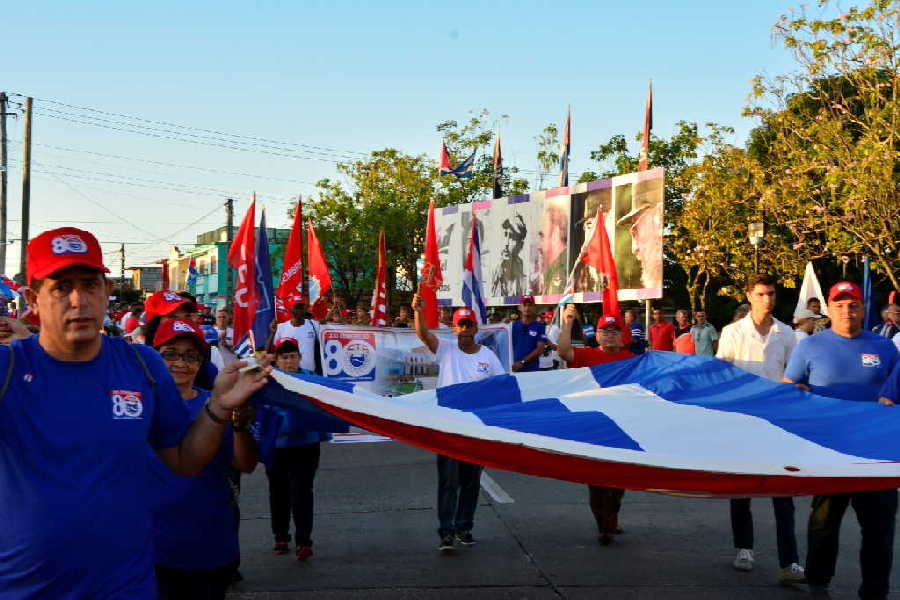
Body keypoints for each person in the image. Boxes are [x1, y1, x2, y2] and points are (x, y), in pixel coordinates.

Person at [0, 227, 270, 599]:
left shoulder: (142, 366)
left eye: (90, 285)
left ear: (107, 292)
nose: (78, 300)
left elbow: (185, 459)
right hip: (24, 587)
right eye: (61, 287)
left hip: (126, 585)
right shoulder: (8, 369)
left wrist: (219, 406)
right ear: (34, 298)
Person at [784, 281, 900, 599]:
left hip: (875, 455)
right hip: (828, 452)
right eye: (839, 304)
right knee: (823, 524)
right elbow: (788, 387)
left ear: (863, 309)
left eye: (853, 305)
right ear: (829, 308)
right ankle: (819, 583)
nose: (846, 310)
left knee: (879, 530)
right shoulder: (809, 346)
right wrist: (799, 395)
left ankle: (875, 592)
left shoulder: (885, 347)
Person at [148, 318, 258, 600]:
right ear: (153, 354)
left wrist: (239, 425)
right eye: (170, 353)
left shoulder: (220, 403)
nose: (180, 363)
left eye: (190, 355)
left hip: (209, 546)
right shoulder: (138, 407)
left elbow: (245, 465)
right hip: (151, 549)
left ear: (201, 361)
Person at [717, 273, 803, 585]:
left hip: (778, 421)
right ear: (750, 296)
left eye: (771, 294)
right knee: (741, 489)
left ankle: (790, 560)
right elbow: (722, 375)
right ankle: (744, 547)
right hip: (742, 421)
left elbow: (793, 376)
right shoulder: (731, 332)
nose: (767, 299)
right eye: (761, 294)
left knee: (784, 491)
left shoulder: (786, 333)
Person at [412, 291, 504, 552]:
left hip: (476, 427)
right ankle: (446, 532)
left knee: (471, 481)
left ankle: (464, 527)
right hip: (448, 425)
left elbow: (502, 386)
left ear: (476, 328)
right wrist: (419, 311)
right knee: (448, 481)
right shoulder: (447, 349)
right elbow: (423, 335)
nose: (464, 330)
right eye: (460, 325)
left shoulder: (488, 356)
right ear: (454, 329)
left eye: (468, 325)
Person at [558, 306, 634, 544]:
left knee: (619, 480)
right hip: (593, 427)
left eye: (614, 331)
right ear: (597, 335)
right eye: (605, 331)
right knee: (596, 481)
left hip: (623, 428)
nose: (610, 335)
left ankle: (612, 517)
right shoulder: (586, 355)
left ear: (623, 337)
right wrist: (568, 322)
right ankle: (604, 523)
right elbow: (562, 351)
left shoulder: (633, 360)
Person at [263, 337, 331, 562]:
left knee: (302, 491)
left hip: (306, 445)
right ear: (277, 360)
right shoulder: (267, 381)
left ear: (300, 358)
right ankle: (280, 537)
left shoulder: (311, 380)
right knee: (278, 492)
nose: (289, 361)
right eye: (284, 357)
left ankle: (304, 541)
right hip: (277, 446)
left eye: (293, 356)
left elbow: (325, 406)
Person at [274, 300, 321, 374]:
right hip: (287, 373)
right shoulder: (281, 327)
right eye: (296, 307)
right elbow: (274, 350)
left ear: (305, 308)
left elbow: (327, 339)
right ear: (290, 308)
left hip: (309, 374)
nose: (299, 310)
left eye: (301, 307)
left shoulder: (314, 325)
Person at [491, 214, 528, 297]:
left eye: (512, 238)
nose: (506, 243)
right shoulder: (490, 268)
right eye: (505, 235)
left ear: (520, 245)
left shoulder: (523, 269)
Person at [511, 294, 547, 372]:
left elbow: (540, 349)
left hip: (531, 371)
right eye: (524, 305)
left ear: (534, 307)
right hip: (512, 369)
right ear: (519, 307)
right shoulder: (511, 326)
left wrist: (522, 362)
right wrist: (503, 325)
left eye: (530, 305)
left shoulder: (540, 326)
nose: (527, 308)